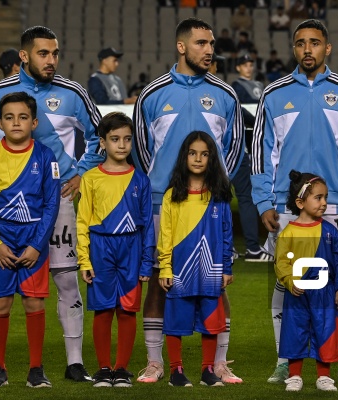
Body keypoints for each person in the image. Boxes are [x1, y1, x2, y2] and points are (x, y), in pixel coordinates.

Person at [0, 25, 102, 383]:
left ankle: (74, 363)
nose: (52, 60)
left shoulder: (73, 92)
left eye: (55, 53)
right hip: (7, 207)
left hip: (60, 201)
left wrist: (81, 174)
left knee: (67, 279)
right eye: (43, 53)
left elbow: (100, 135)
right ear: (24, 55)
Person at [251, 19, 338, 386]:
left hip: (335, 205)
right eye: (301, 43)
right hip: (287, 208)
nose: (308, 49)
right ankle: (285, 360)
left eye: (315, 43)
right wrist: (263, 200)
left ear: (327, 48)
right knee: (285, 283)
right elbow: (260, 152)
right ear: (294, 49)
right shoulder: (273, 94)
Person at [131, 17, 244, 385]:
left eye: (211, 44)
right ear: (181, 46)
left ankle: (219, 364)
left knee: (217, 284)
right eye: (200, 43)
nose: (209, 50)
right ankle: (155, 362)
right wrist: (166, 189)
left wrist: (215, 188)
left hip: (211, 205)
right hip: (163, 205)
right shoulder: (152, 95)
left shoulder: (226, 95)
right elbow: (143, 154)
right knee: (157, 282)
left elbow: (234, 151)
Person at [0, 92, 61, 388]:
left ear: (34, 122)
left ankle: (36, 369)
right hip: (2, 240)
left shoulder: (45, 156)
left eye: (23, 117)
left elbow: (52, 204)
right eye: (9, 117)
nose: (16, 122)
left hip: (32, 240)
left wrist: (37, 245)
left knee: (34, 305)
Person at [77, 112, 155, 388]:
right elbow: (83, 220)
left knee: (127, 310)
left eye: (127, 139)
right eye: (114, 139)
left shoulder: (141, 180)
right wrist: (84, 260)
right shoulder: (90, 178)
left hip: (131, 248)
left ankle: (121, 368)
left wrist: (147, 262)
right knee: (103, 309)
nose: (122, 145)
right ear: (102, 142)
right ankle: (102, 368)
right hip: (101, 247)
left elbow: (147, 225)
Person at [158, 130, 234, 387]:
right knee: (176, 321)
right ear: (184, 157)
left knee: (211, 323)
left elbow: (226, 234)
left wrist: (227, 267)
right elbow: (165, 236)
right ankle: (175, 371)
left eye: (204, 154)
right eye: (193, 153)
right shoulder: (172, 196)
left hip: (211, 270)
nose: (198, 159)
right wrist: (165, 268)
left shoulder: (220, 194)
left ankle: (207, 370)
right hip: (180, 270)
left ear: (211, 159)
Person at [275, 170, 338, 392]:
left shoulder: (329, 230)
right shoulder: (288, 232)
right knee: (295, 330)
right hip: (297, 293)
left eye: (325, 197)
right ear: (300, 202)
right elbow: (280, 262)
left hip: (324, 292)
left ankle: (324, 376)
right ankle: (294, 375)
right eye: (318, 197)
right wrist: (289, 281)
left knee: (324, 330)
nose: (324, 203)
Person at [230, 54, 271, 262]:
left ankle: (226, 249)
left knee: (218, 201)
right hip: (239, 151)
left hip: (221, 153)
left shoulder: (253, 85)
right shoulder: (234, 88)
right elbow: (243, 113)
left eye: (250, 64)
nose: (249, 68)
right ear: (238, 68)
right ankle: (252, 248)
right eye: (245, 65)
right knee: (245, 198)